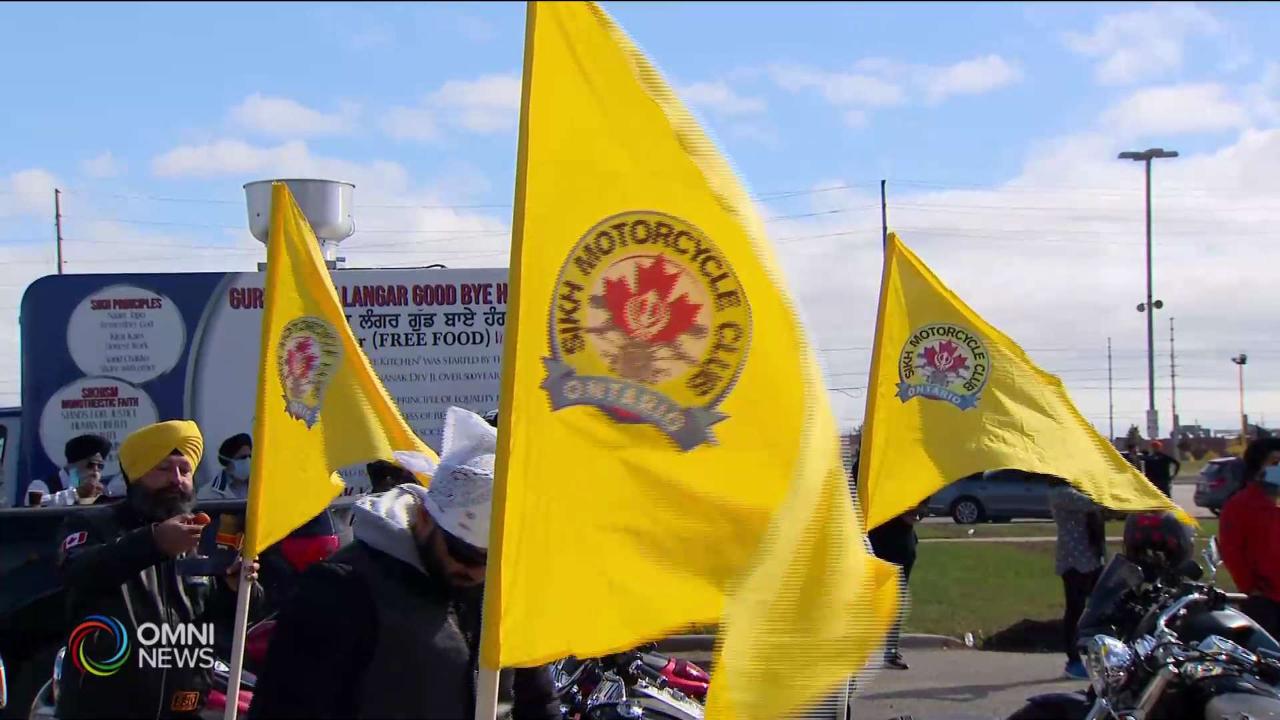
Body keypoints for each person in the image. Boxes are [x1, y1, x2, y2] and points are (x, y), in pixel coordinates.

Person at [249, 407, 558, 720]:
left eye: (491, 562)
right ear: (425, 516)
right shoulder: (342, 592)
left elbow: (538, 702)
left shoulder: (502, 597)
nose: (474, 571)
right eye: (461, 552)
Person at [54, 420, 263, 719]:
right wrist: (153, 543)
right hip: (104, 707)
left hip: (184, 707)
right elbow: (78, 573)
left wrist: (239, 586)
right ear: (137, 475)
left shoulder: (205, 534)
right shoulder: (92, 525)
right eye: (164, 469)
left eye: (185, 470)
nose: (177, 480)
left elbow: (235, 620)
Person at [1219, 437, 1280, 638]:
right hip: (1266, 603)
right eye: (1275, 463)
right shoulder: (1240, 506)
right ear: (1257, 468)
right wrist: (1251, 588)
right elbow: (1231, 551)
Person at [1048, 478, 1107, 680]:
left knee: (1100, 607)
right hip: (1073, 561)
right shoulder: (1061, 493)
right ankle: (1073, 661)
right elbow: (1095, 503)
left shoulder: (1073, 491)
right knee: (1075, 610)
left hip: (1090, 559)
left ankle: (1097, 656)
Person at [868, 502, 924, 670]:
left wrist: (916, 513)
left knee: (896, 602)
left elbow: (922, 508)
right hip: (881, 547)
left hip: (904, 549)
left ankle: (890, 652)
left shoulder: (913, 485)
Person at [25, 434, 113, 507]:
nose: (95, 470)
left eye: (100, 466)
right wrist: (75, 494)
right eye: (90, 464)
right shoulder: (41, 485)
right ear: (71, 464)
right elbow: (34, 506)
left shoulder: (102, 491)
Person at [198, 433, 252, 500]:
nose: (248, 461)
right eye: (242, 458)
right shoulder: (207, 494)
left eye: (250, 456)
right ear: (228, 462)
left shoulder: (263, 486)